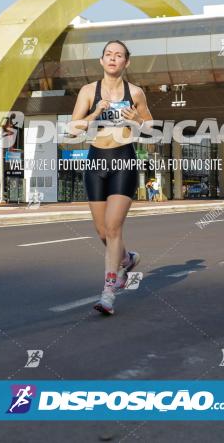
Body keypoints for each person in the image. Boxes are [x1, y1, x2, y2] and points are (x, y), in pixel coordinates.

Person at [68, 40, 152, 315]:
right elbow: (72, 129)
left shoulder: (135, 92)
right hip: (96, 160)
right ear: (102, 61)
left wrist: (136, 120)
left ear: (126, 62)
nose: (113, 58)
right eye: (109, 54)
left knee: (114, 228)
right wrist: (95, 113)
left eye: (119, 55)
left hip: (124, 159)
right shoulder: (88, 91)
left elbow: (152, 128)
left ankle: (108, 293)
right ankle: (127, 259)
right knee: (102, 231)